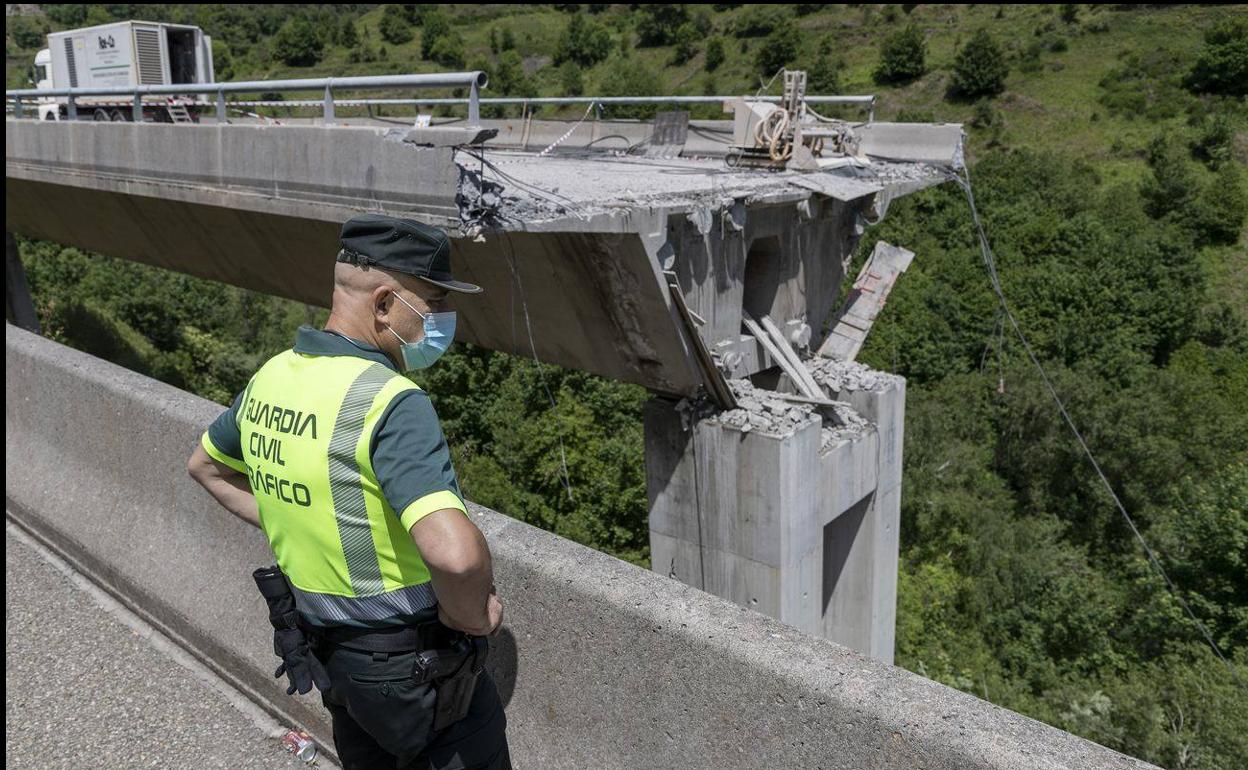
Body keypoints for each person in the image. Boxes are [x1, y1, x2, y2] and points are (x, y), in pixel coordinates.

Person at [187, 213, 510, 769]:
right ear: (385, 304)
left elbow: (207, 468)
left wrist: (295, 516)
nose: (440, 320)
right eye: (431, 303)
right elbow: (455, 556)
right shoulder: (392, 400)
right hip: (417, 669)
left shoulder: (273, 376)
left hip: (332, 660)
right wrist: (473, 616)